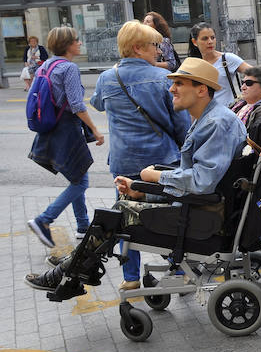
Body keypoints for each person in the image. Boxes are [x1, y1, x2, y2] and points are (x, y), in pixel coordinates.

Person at [25, 58, 247, 294]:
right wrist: (141, 187)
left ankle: (70, 272)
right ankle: (74, 269)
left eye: (179, 83)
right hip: (194, 204)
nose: (171, 88)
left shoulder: (216, 123)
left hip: (201, 213)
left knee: (115, 216)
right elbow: (197, 175)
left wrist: (154, 178)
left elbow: (202, 181)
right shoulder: (209, 118)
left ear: (201, 89)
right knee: (117, 209)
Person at [89, 20, 191, 290]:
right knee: (168, 216)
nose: (159, 51)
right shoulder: (162, 79)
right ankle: (178, 269)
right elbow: (181, 124)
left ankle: (131, 277)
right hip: (161, 161)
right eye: (154, 46)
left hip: (124, 161)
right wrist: (187, 154)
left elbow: (98, 103)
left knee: (124, 217)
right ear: (137, 48)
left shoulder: (106, 78)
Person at [26, 27, 105, 249]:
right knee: (81, 183)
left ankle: (82, 227)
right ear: (67, 44)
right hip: (67, 130)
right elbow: (77, 105)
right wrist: (95, 130)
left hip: (51, 129)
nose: (79, 43)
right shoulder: (68, 68)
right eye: (76, 40)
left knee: (77, 177)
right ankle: (44, 220)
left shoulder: (48, 65)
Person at [187, 22, 261, 106]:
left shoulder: (227, 59)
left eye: (212, 38)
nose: (210, 42)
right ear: (195, 42)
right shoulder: (192, 65)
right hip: (202, 116)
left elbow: (260, 74)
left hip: (226, 114)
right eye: (205, 39)